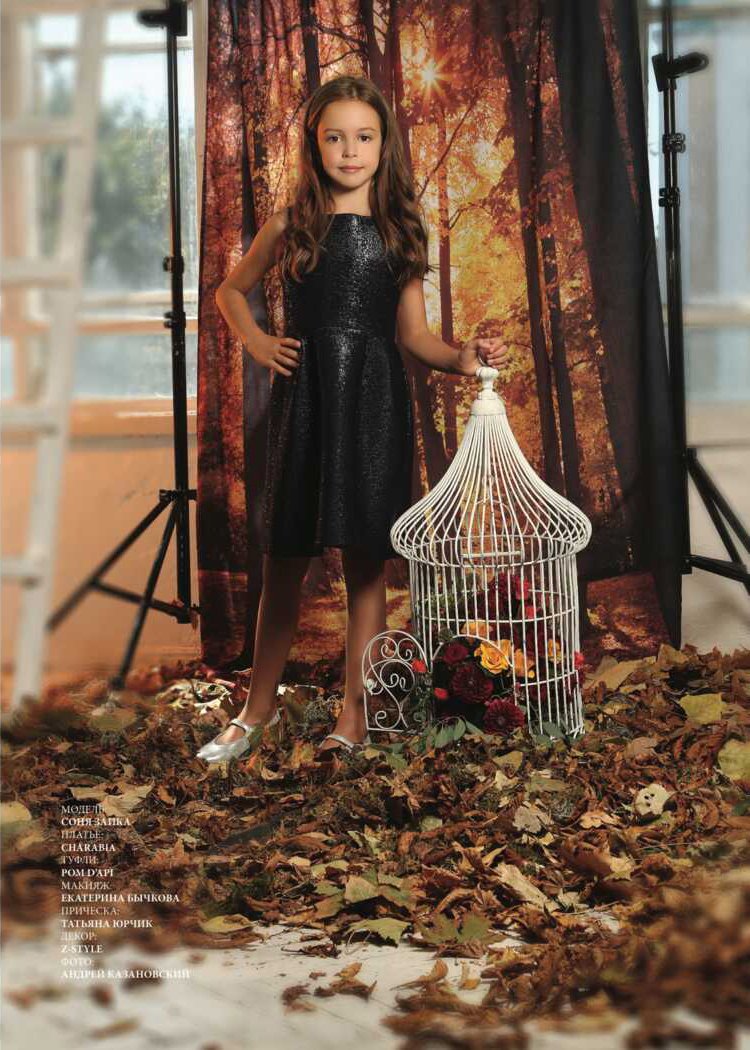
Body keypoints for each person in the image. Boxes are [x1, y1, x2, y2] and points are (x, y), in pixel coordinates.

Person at [198, 75, 508, 764]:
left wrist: (462, 358)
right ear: (315, 144)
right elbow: (229, 290)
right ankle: (255, 713)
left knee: (367, 565)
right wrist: (255, 342)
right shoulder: (293, 224)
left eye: (363, 137)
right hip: (306, 402)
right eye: (334, 136)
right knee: (285, 561)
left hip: (373, 404)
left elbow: (417, 337)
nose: (349, 150)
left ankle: (354, 713)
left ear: (382, 144)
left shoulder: (402, 228)